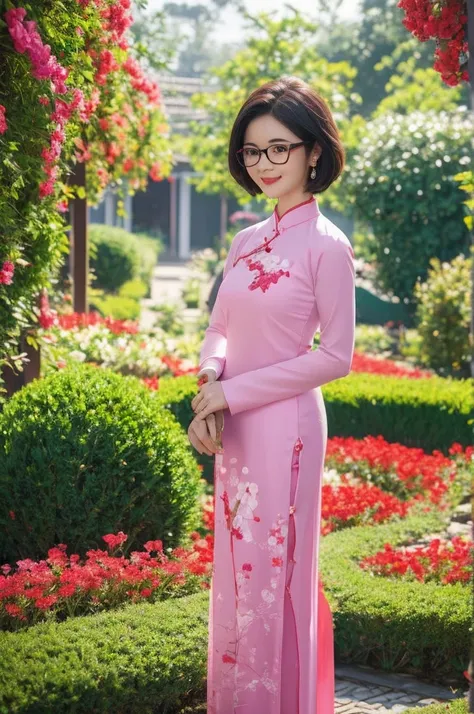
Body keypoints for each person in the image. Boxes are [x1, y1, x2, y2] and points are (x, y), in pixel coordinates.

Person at [187, 75, 356, 714]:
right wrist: (209, 385)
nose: (265, 164)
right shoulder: (244, 240)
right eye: (253, 152)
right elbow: (220, 327)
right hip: (236, 428)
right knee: (237, 577)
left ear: (314, 152)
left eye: (279, 148)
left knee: (278, 580)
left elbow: (335, 357)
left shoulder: (327, 246)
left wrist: (236, 394)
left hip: (286, 431)